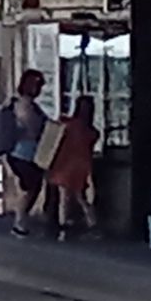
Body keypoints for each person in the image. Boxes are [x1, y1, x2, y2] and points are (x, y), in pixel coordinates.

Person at [0, 70, 51, 237]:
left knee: (31, 187)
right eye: (36, 85)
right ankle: (20, 221)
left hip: (23, 153)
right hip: (23, 152)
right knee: (30, 187)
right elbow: (31, 126)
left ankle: (21, 220)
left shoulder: (19, 104)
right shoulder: (25, 105)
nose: (38, 89)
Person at [40, 96, 100, 240]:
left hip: (63, 164)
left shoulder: (68, 125)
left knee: (63, 196)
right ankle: (91, 223)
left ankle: (65, 222)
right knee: (80, 196)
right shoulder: (90, 131)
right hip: (80, 165)